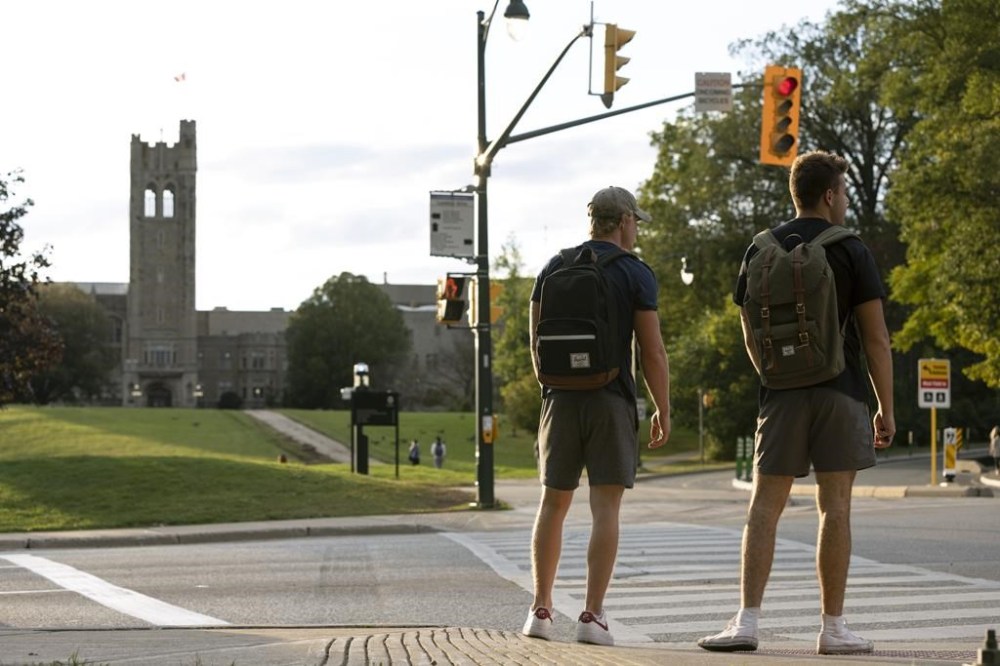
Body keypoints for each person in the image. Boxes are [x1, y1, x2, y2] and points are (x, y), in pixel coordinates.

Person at [698, 151, 895, 656]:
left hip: (780, 395)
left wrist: (774, 372)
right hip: (841, 390)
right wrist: (885, 408)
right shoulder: (850, 249)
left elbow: (748, 330)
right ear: (829, 195)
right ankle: (832, 629)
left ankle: (746, 622)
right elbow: (876, 340)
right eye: (843, 192)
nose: (845, 200)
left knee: (764, 506)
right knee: (835, 508)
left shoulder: (759, 248)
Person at [521, 186, 671, 647]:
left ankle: (540, 611)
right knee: (604, 508)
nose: (636, 230)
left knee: (553, 504)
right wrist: (662, 407)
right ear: (624, 220)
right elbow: (651, 350)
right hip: (610, 398)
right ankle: (591, 616)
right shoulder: (634, 273)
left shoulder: (553, 267)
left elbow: (535, 343)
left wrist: (553, 390)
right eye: (636, 222)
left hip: (559, 400)